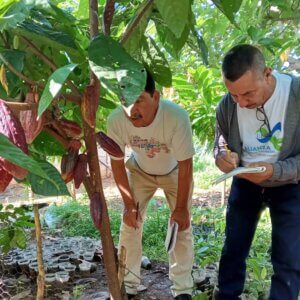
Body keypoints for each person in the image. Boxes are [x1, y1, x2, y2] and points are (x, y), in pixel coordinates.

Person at [213, 44, 300, 300]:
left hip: (290, 185)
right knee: (233, 249)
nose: (241, 102)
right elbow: (220, 141)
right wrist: (222, 157)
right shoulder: (228, 105)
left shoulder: (295, 95)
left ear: (267, 74)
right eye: (234, 95)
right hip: (245, 183)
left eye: (248, 94)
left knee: (288, 258)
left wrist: (276, 170)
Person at [107, 71, 195, 299]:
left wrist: (182, 209)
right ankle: (128, 284)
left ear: (155, 97)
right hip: (140, 172)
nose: (131, 110)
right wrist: (129, 204)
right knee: (130, 223)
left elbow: (186, 165)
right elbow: (117, 164)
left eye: (138, 101)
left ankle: (183, 290)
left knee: (181, 228)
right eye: (125, 101)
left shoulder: (176, 117)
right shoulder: (116, 120)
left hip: (176, 173)